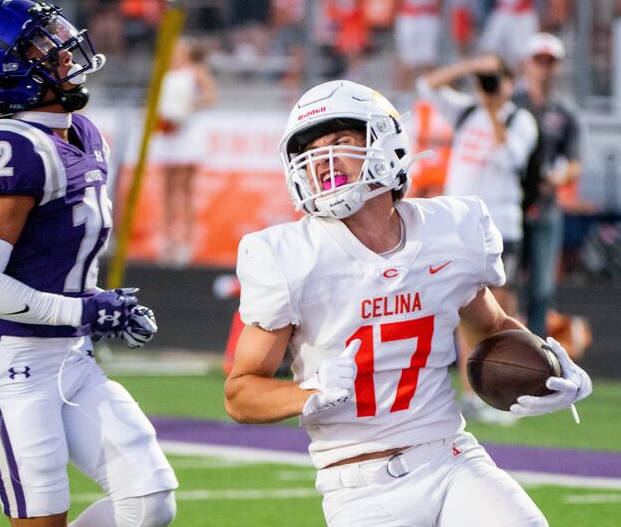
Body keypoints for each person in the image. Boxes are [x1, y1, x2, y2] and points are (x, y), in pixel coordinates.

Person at [224, 80, 591, 527]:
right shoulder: (289, 255)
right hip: (358, 483)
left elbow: (490, 331)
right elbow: (240, 393)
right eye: (311, 149)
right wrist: (306, 393)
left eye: (340, 142)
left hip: (451, 457)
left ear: (385, 143)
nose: (322, 161)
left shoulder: (450, 230)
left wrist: (551, 366)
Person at [0, 0, 177, 527]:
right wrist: (86, 311)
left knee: (149, 500)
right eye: (42, 45)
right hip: (12, 364)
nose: (64, 49)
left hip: (73, 357)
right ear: (2, 73)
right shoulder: (9, 145)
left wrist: (96, 309)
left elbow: (56, 262)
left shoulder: (83, 134)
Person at [417, 55, 537, 423]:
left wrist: (494, 107)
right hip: (458, 225)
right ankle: (473, 393)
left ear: (509, 83)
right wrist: (470, 67)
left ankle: (511, 392)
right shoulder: (467, 112)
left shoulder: (520, 120)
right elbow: (427, 85)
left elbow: (511, 158)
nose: (488, 85)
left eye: (495, 79)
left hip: (500, 226)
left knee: (499, 310)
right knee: (459, 309)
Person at [512, 32, 580, 338]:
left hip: (545, 207)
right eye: (539, 60)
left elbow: (575, 161)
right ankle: (504, 353)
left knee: (541, 288)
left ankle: (536, 359)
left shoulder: (564, 112)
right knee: (505, 284)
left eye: (550, 62)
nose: (544, 68)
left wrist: (557, 178)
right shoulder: (511, 105)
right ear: (526, 64)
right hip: (510, 207)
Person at [152, 37, 216, 266]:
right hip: (168, 133)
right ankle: (168, 241)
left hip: (187, 131)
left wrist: (189, 107)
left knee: (185, 188)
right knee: (167, 189)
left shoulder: (194, 71)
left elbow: (210, 96)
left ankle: (187, 242)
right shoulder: (163, 72)